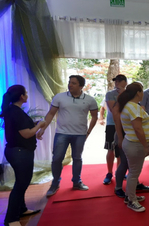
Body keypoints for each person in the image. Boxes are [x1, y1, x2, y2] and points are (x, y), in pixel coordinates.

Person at [37, 75, 98, 197]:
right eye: (70, 82)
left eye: (74, 83)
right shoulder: (59, 97)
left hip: (80, 134)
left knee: (77, 158)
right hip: (62, 133)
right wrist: (43, 128)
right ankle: (55, 183)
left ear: (81, 86)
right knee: (57, 158)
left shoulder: (90, 100)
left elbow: (95, 117)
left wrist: (88, 132)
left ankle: (76, 182)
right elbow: (50, 114)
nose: (70, 85)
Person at [1, 85, 46, 226]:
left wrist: (35, 124)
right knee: (21, 185)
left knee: (21, 183)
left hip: (16, 151)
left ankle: (21, 209)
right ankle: (11, 219)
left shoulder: (12, 110)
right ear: (21, 96)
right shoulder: (16, 112)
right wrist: (39, 125)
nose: (27, 95)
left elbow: (21, 128)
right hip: (20, 153)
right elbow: (26, 134)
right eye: (26, 93)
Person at [117, 82, 149, 212]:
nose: (143, 94)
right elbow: (138, 128)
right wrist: (145, 146)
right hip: (135, 144)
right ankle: (131, 200)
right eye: (142, 91)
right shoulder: (134, 107)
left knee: (133, 172)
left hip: (132, 143)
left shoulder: (130, 106)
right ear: (138, 93)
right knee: (133, 173)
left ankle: (129, 196)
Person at [102, 74, 127, 185]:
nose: (117, 83)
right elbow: (113, 110)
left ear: (125, 83)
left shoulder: (129, 95)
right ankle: (109, 172)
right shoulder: (110, 94)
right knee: (110, 149)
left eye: (120, 81)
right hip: (112, 125)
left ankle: (119, 172)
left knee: (121, 150)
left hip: (125, 125)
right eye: (116, 81)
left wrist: (123, 95)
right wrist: (121, 96)